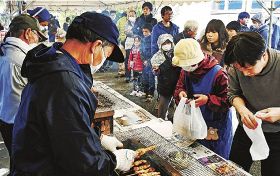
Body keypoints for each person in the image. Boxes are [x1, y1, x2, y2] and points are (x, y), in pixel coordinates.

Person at [12, 12, 136, 175]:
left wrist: (98, 138)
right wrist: (115, 161)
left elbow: (63, 128)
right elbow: (82, 163)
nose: (104, 59)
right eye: (107, 54)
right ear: (96, 45)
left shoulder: (53, 62)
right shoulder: (64, 83)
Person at [224, 32, 280, 175]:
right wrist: (242, 109)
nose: (244, 73)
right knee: (234, 169)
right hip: (247, 127)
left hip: (276, 133)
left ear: (263, 55)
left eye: (248, 68)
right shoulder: (237, 65)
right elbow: (233, 93)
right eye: (239, 69)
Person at [0, 14, 45, 175]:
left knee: (16, 159)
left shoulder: (4, 51)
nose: (37, 40)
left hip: (5, 118)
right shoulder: (22, 59)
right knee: (27, 166)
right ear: (27, 33)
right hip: (20, 124)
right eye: (36, 35)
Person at [173, 38, 232, 159]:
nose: (185, 68)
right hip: (193, 121)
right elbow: (180, 86)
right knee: (195, 156)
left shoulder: (218, 73)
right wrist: (181, 93)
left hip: (215, 124)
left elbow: (228, 100)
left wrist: (208, 100)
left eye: (188, 65)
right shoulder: (186, 70)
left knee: (214, 160)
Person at [151, 34, 181, 120]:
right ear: (160, 44)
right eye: (164, 43)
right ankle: (162, 122)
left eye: (169, 42)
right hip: (165, 86)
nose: (167, 45)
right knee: (162, 109)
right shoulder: (156, 57)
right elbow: (155, 72)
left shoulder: (177, 54)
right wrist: (157, 70)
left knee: (179, 107)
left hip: (177, 85)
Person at [141, 24, 155, 101]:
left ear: (151, 31)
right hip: (144, 62)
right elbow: (141, 51)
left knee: (151, 78)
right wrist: (143, 60)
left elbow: (154, 52)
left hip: (151, 62)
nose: (144, 33)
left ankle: (151, 93)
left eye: (146, 31)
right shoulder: (143, 40)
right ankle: (145, 92)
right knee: (144, 78)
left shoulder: (153, 40)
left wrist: (149, 61)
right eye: (143, 31)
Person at [124, 10, 137, 82]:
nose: (131, 17)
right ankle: (128, 76)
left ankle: (135, 76)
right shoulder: (127, 23)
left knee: (136, 59)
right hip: (129, 43)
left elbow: (139, 31)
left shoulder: (138, 23)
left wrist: (133, 32)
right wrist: (134, 34)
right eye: (130, 16)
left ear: (135, 16)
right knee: (128, 60)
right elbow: (126, 32)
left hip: (137, 43)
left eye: (133, 15)